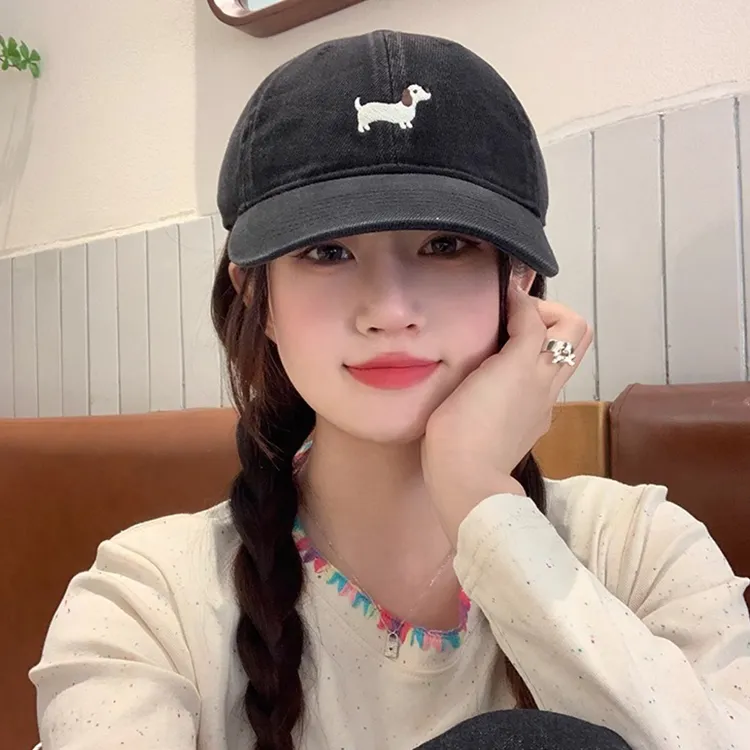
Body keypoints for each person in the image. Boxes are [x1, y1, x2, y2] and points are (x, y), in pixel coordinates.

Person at [29, 30, 750, 750]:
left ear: (519, 279)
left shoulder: (640, 549)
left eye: (445, 245)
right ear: (256, 298)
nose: (389, 310)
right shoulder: (147, 601)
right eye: (327, 251)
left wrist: (477, 491)